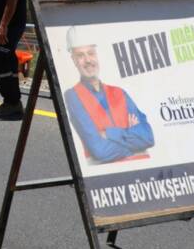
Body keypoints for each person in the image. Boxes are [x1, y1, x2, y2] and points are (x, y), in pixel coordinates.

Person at [61, 35, 154, 163]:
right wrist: (135, 141)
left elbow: (148, 138)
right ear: (74, 60)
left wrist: (110, 134)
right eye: (80, 55)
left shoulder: (119, 92)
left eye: (91, 53)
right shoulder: (73, 96)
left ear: (97, 56)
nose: (88, 60)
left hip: (145, 174)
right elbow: (101, 151)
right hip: (109, 177)